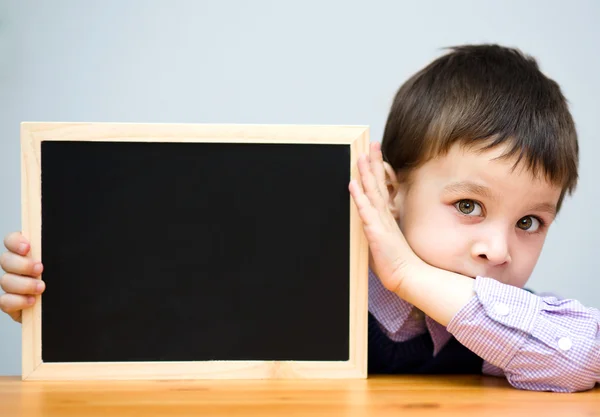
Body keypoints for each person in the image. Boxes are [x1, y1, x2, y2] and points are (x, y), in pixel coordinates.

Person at [1, 44, 599, 392]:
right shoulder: (313, 280)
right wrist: (59, 298)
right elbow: (170, 317)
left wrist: (413, 280)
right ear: (390, 192)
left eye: (530, 222)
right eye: (468, 207)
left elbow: (587, 355)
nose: (498, 249)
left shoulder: (494, 320)